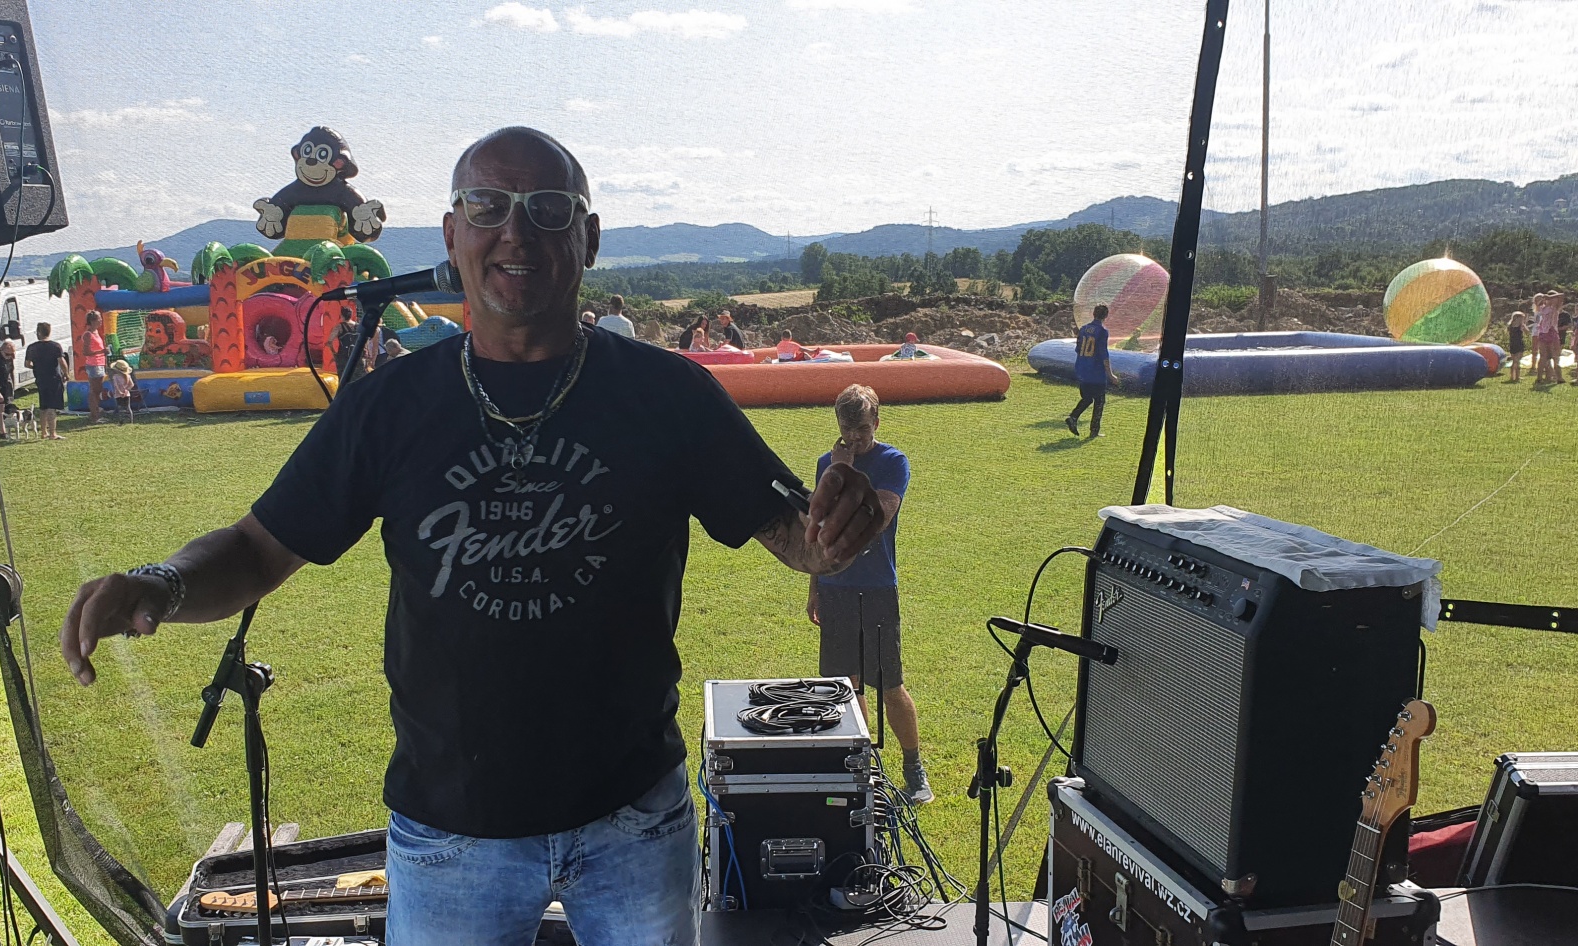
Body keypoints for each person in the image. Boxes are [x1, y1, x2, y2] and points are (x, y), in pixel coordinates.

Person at [57, 126, 889, 946]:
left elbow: (795, 534)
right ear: (453, 234)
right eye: (488, 207)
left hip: (632, 821)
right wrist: (161, 582)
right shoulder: (390, 405)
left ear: (589, 239)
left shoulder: (668, 395)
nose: (515, 232)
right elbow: (257, 548)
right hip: (449, 834)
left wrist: (831, 533)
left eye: (548, 209)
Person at [807, 384, 930, 805]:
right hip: (835, 588)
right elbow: (819, 530)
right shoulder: (827, 463)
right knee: (848, 685)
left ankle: (913, 769)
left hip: (876, 587)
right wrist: (815, 587)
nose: (855, 438)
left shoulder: (893, 461)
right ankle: (864, 768)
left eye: (862, 429)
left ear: (876, 422)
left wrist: (843, 474)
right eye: (847, 429)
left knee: (890, 685)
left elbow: (877, 518)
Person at [1068, 304, 1117, 435]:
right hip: (1096, 372)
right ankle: (1094, 430)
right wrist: (1111, 374)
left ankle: (1073, 417)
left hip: (1082, 368)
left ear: (1093, 314)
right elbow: (1104, 354)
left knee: (1087, 398)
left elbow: (1078, 349)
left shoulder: (1083, 329)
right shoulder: (1102, 331)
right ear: (1106, 316)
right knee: (1099, 401)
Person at [25, 322, 69, 440]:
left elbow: (27, 364)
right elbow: (62, 362)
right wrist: (66, 373)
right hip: (53, 378)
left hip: (40, 378)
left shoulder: (32, 347)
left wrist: (37, 367)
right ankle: (53, 433)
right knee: (51, 406)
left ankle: (44, 432)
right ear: (49, 332)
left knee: (43, 406)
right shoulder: (55, 346)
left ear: (38, 333)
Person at [80, 311, 110, 422]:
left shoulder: (96, 332)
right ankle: (94, 415)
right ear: (92, 321)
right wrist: (101, 351)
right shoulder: (88, 334)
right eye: (99, 319)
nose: (101, 321)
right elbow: (86, 352)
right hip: (93, 364)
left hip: (100, 363)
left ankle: (96, 410)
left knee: (98, 389)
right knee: (95, 390)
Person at [1531, 291, 1563, 384]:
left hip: (1545, 333)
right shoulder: (1545, 308)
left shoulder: (1550, 308)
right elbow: (1561, 296)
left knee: (1547, 357)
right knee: (1552, 356)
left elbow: (1561, 296)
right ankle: (1557, 377)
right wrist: (1548, 298)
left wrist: (1548, 297)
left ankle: (1545, 377)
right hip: (1550, 333)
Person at [1504, 311, 1526, 382]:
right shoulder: (1520, 326)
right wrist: (1524, 326)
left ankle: (1512, 376)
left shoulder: (1510, 326)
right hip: (1519, 345)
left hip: (1512, 345)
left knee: (1514, 361)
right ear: (1518, 318)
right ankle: (1517, 377)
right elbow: (1528, 332)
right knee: (1517, 362)